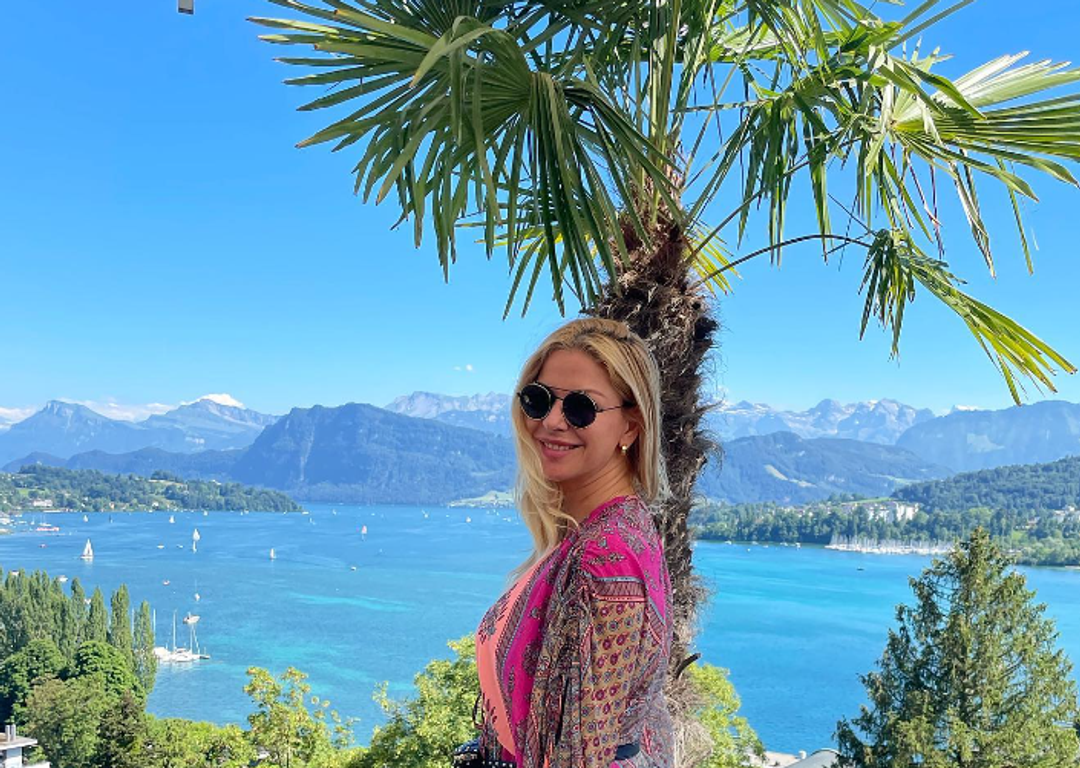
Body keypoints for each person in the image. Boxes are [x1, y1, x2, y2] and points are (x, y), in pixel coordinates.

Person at [459, 318, 675, 768]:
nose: (552, 421)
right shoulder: (605, 531)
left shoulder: (604, 557)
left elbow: (580, 756)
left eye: (581, 408)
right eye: (538, 400)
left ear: (631, 427)